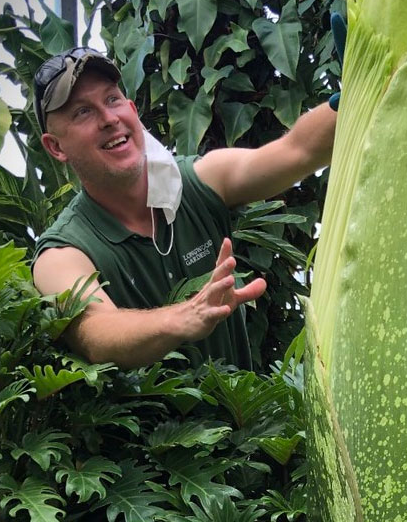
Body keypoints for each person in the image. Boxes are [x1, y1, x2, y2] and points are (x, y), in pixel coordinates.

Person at [31, 47, 337, 369]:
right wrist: (182, 318)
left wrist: (350, 99)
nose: (109, 119)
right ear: (56, 146)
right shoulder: (62, 254)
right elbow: (96, 332)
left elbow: (297, 151)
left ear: (132, 110)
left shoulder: (197, 182)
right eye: (82, 112)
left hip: (248, 419)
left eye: (112, 100)